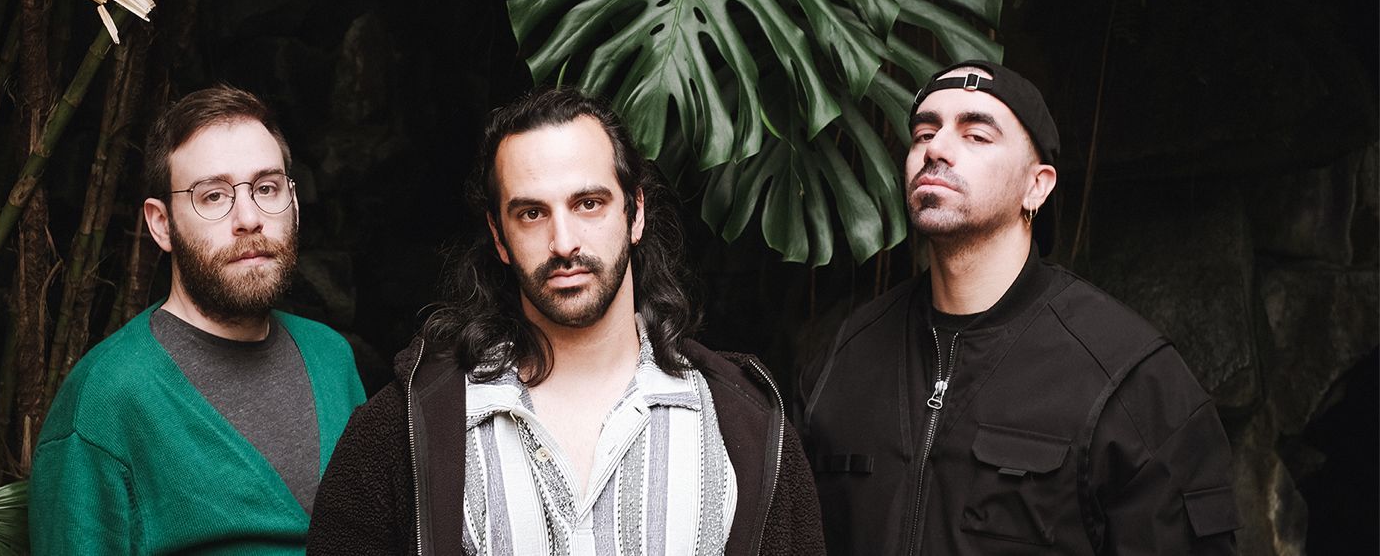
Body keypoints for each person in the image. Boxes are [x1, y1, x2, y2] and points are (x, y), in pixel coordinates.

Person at [307, 88, 824, 555]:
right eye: (532, 213)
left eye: (589, 203)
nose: (564, 242)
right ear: (498, 236)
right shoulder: (404, 428)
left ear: (636, 213)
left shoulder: (745, 424)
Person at [797, 61, 1240, 554]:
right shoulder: (845, 356)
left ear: (1037, 185)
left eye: (976, 135)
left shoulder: (1128, 374)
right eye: (924, 133)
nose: (936, 149)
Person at [29, 86, 366, 554]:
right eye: (213, 196)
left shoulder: (332, 358)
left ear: (293, 202)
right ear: (161, 224)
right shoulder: (107, 399)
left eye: (266, 188)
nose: (248, 218)